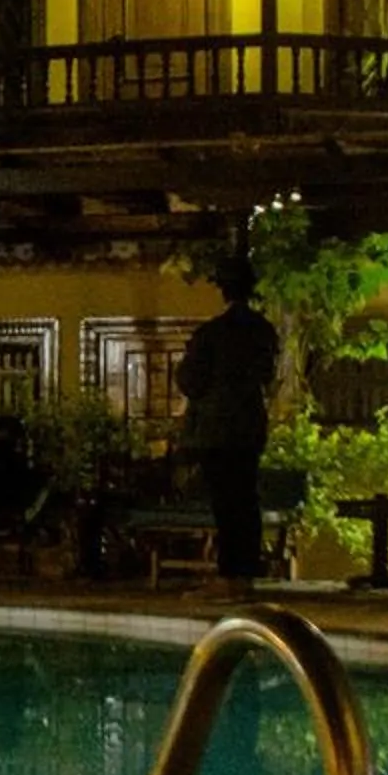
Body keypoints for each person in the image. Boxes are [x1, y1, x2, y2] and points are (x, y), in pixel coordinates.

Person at [176, 251, 281, 586]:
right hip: (248, 425)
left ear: (223, 290)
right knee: (246, 498)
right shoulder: (263, 331)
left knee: (225, 500)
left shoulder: (211, 334)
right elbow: (268, 375)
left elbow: (190, 381)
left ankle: (231, 568)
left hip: (216, 430)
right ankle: (246, 565)